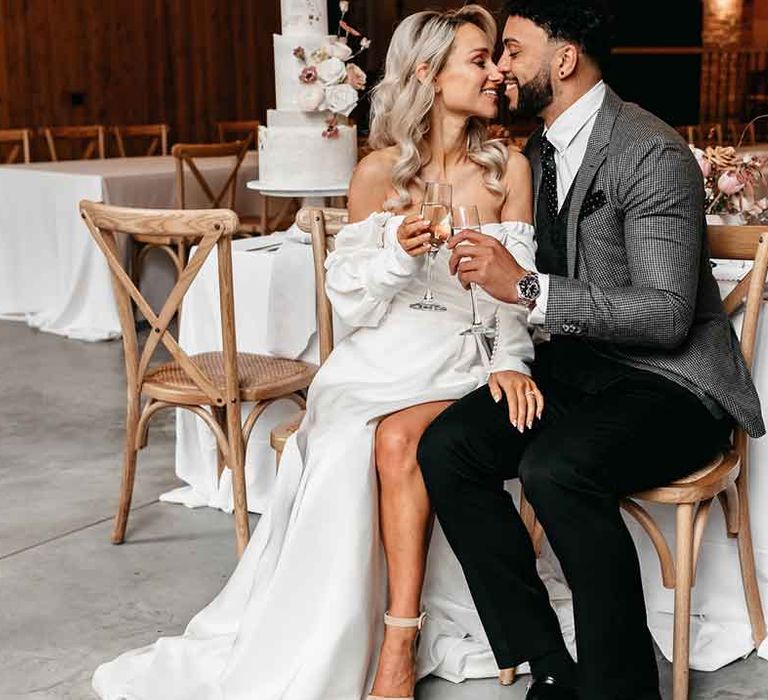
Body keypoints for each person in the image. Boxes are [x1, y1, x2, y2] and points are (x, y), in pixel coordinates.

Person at [92, 6, 560, 699]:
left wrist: (508, 362)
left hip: (461, 355)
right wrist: (397, 258)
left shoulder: (505, 171)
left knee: (398, 444)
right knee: (346, 442)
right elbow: (352, 305)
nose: (497, 72)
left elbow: (509, 294)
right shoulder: (376, 175)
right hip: (382, 356)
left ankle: (399, 641)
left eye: (496, 59)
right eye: (479, 60)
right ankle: (337, 626)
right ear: (429, 76)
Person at [417, 2, 765, 699]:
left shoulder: (649, 149)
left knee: (556, 466)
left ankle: (621, 687)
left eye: (513, 51)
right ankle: (548, 662)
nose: (502, 67)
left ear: (565, 59)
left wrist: (522, 285)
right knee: (447, 448)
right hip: (581, 371)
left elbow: (667, 315)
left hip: (672, 384)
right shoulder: (534, 154)